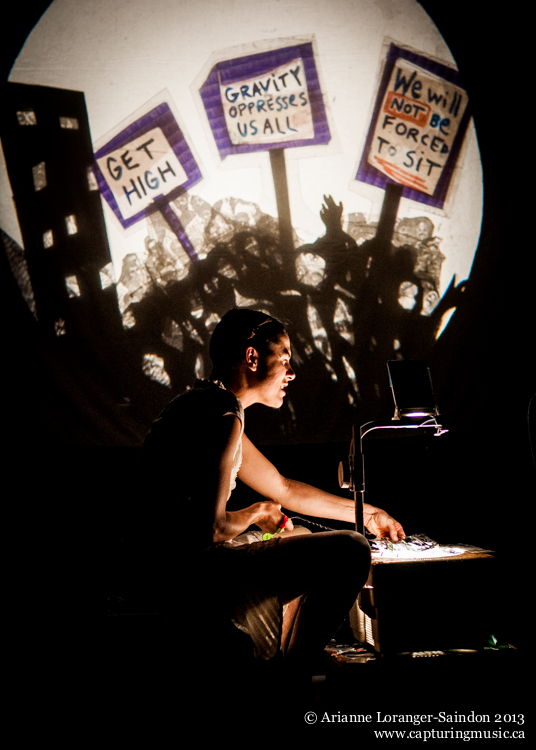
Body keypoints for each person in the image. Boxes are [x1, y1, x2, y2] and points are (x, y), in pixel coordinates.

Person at [142, 308, 405, 677]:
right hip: (185, 572)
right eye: (284, 358)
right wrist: (257, 513)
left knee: (301, 533)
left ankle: (282, 662)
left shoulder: (210, 403)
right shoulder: (223, 415)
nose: (291, 372)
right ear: (251, 357)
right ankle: (293, 674)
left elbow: (283, 488)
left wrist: (370, 513)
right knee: (351, 549)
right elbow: (210, 529)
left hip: (175, 562)